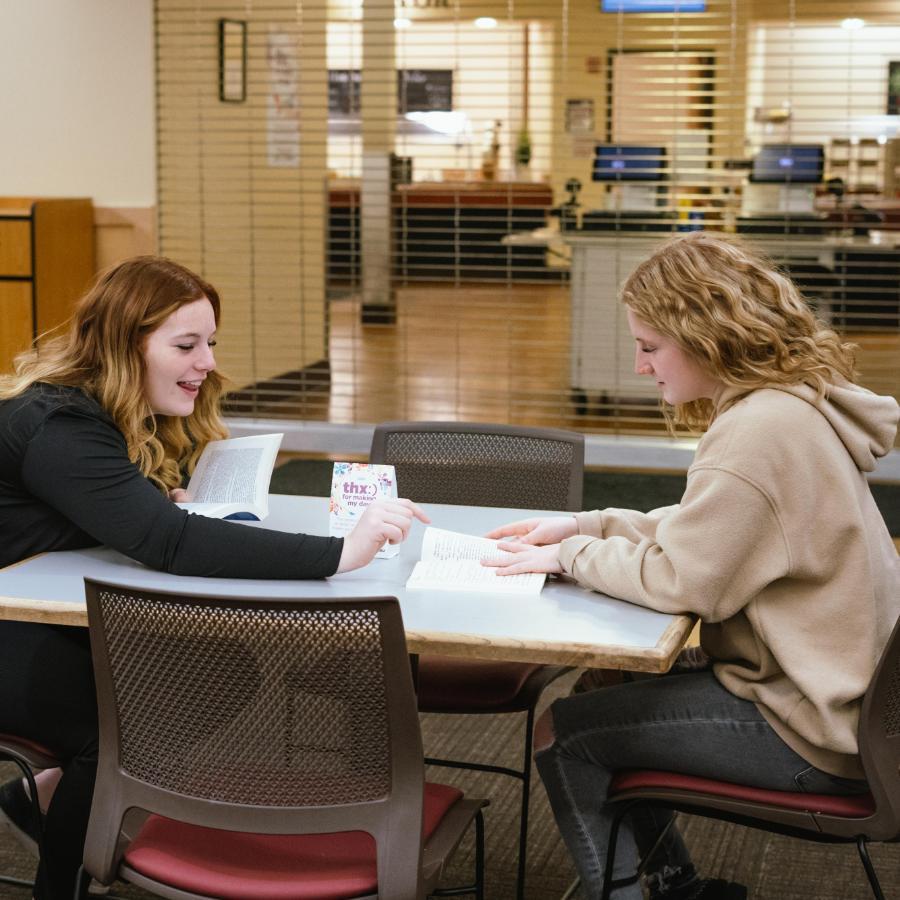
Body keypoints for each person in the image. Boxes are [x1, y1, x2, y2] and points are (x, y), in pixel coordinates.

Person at [484, 231, 900, 899]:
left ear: (709, 338)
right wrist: (587, 525)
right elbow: (710, 529)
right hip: (853, 710)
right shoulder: (792, 405)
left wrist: (570, 554)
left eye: (650, 347)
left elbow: (687, 580)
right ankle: (673, 887)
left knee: (565, 734)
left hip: (813, 734)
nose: (642, 367)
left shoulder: (756, 434)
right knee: (600, 692)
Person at [0, 256, 429, 900]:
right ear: (124, 345)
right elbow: (166, 543)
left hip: (38, 606)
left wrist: (137, 502)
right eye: (185, 345)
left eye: (210, 343)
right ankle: (60, 882)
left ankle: (50, 796)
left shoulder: (94, 409)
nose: (207, 362)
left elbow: (104, 514)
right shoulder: (58, 422)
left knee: (224, 670)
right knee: (116, 728)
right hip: (11, 620)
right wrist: (340, 553)